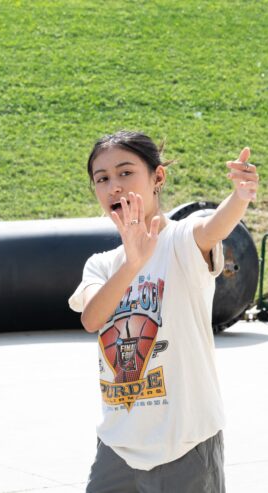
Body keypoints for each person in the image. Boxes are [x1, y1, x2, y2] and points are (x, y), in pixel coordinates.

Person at [68, 130, 259, 492]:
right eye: (102, 179)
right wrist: (131, 263)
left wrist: (240, 196)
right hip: (117, 447)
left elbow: (214, 226)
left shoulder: (181, 240)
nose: (115, 187)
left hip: (185, 444)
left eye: (126, 173)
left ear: (157, 178)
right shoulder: (102, 265)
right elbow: (92, 319)